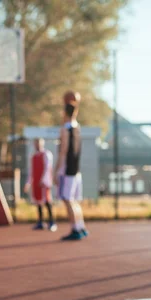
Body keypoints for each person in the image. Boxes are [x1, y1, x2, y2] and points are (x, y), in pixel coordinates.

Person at [54, 90, 88, 241]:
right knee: (73, 200)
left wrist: (56, 171)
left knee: (67, 200)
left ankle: (75, 229)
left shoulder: (65, 129)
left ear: (64, 112)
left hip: (67, 169)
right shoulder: (77, 127)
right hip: (76, 170)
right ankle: (81, 227)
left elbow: (63, 151)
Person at [23, 138, 57, 231]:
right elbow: (31, 171)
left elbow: (47, 167)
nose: (37, 145)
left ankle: (52, 222)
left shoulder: (46, 154)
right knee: (38, 202)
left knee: (47, 201)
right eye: (36, 143)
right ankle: (40, 222)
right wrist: (28, 183)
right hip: (36, 182)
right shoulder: (33, 156)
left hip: (44, 183)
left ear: (42, 143)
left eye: (39, 143)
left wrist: (43, 180)